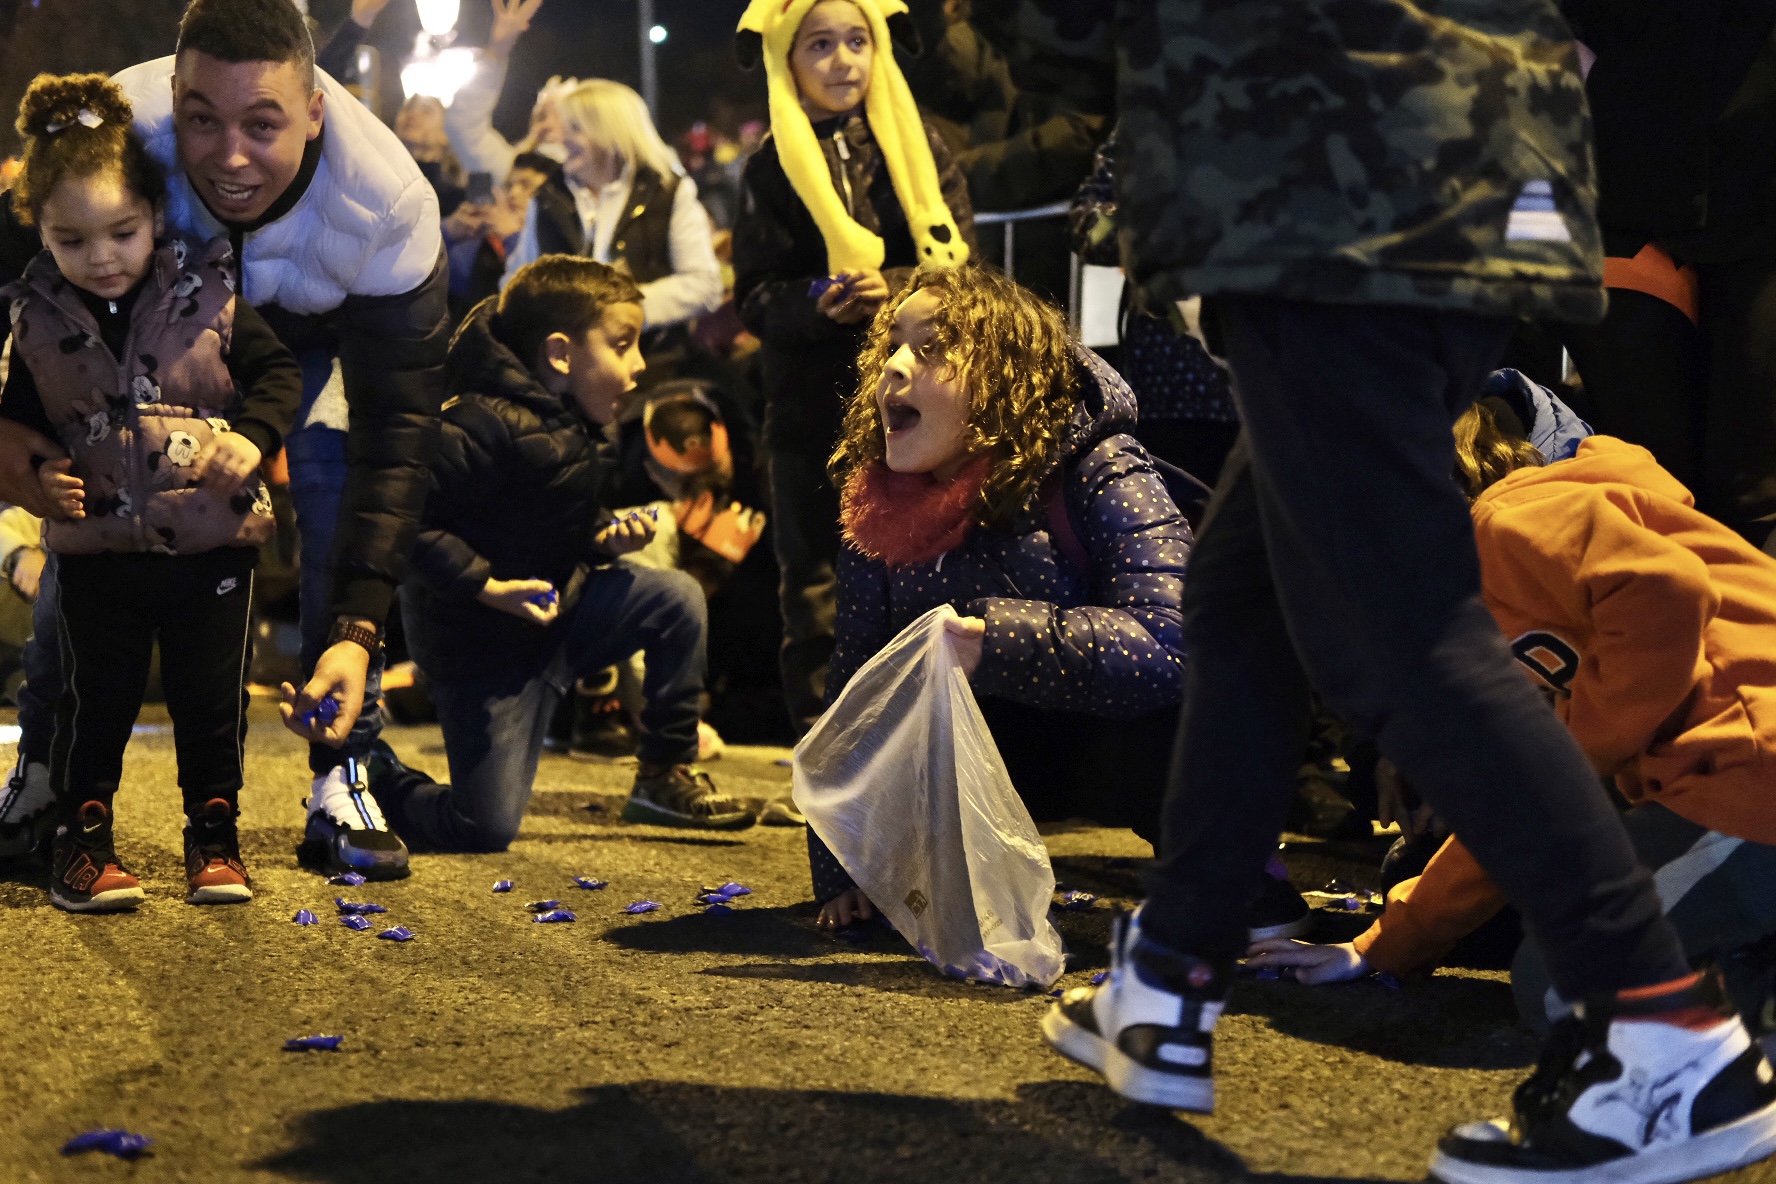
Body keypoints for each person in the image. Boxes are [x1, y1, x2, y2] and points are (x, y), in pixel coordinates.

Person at [1020, 4, 1776, 1181]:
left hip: (1328, 183)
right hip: (1443, 165)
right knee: (1245, 592)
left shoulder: (1542, 511)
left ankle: (1661, 1030)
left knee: (1405, 636)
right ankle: (1169, 972)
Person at [0, 0, 451, 883]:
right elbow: (25, 281)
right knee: (83, 513)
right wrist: (13, 440)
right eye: (203, 119)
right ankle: (46, 774)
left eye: (264, 122)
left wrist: (359, 624)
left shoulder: (388, 201)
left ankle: (342, 772)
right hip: (155, 351)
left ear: (316, 106)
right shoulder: (119, 133)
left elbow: (397, 435)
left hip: (312, 354)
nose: (231, 155)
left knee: (329, 482)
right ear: (171, 96)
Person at [1249, 406, 1776, 1032]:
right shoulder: (1492, 583)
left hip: (1750, 774)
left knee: (1561, 993)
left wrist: (1585, 752)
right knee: (1458, 901)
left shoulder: (1504, 523)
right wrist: (1384, 945)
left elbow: (1667, 588)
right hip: (1722, 780)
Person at [806, 265, 1196, 929]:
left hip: (1115, 739)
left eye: (930, 349)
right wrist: (853, 868)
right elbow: (856, 699)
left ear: (1004, 376)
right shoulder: (881, 506)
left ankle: (1227, 871)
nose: (893, 368)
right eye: (891, 346)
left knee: (1179, 740)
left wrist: (997, 639)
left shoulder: (1099, 463)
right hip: (991, 764)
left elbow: (1176, 642)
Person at [1, 73, 300, 912]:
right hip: (98, 551)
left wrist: (253, 438)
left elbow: (278, 376)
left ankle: (215, 839)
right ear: (40, 236)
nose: (101, 257)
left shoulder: (212, 291)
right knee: (93, 705)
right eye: (71, 240)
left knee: (212, 703)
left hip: (213, 542)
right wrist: (40, 479)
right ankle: (82, 844)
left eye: (122, 232)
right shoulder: (31, 319)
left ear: (156, 216)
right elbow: (19, 428)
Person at [374, 255, 757, 851]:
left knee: (674, 597)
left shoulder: (576, 417)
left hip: (561, 618)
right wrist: (485, 587)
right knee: (482, 827)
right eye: (623, 344)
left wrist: (602, 534)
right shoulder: (474, 422)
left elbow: (550, 513)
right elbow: (405, 526)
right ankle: (374, 775)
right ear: (560, 354)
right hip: (484, 650)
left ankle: (664, 773)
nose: (639, 365)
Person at [731, 0, 976, 734]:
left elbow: (963, 272)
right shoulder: (771, 166)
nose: (843, 60)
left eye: (856, 41)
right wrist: (823, 300)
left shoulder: (925, 147)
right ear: (786, 61)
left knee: (921, 569)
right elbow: (754, 296)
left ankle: (917, 749)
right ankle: (824, 750)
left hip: (917, 406)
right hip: (810, 404)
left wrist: (895, 287)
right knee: (812, 584)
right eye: (820, 44)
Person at [499, 79, 723, 349]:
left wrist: (618, 311)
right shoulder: (547, 198)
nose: (563, 139)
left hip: (651, 366)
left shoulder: (668, 193)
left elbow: (704, 285)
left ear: (611, 134)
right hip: (566, 374)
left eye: (575, 129)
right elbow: (517, 279)